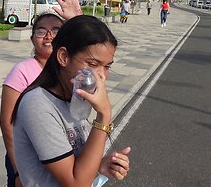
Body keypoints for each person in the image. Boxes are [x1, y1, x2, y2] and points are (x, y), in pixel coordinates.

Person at [12, 15, 131, 186]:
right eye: (93, 63)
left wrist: (101, 166)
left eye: (107, 66)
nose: (102, 76)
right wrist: (104, 115)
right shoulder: (37, 104)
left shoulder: (76, 98)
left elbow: (78, 164)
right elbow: (77, 183)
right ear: (63, 57)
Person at [0, 0, 82, 187]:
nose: (48, 36)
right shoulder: (22, 71)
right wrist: (18, 170)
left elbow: (94, 51)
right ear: (32, 39)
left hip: (64, 153)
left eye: (55, 31)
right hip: (27, 160)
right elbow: (7, 124)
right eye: (40, 31)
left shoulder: (70, 68)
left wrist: (76, 20)